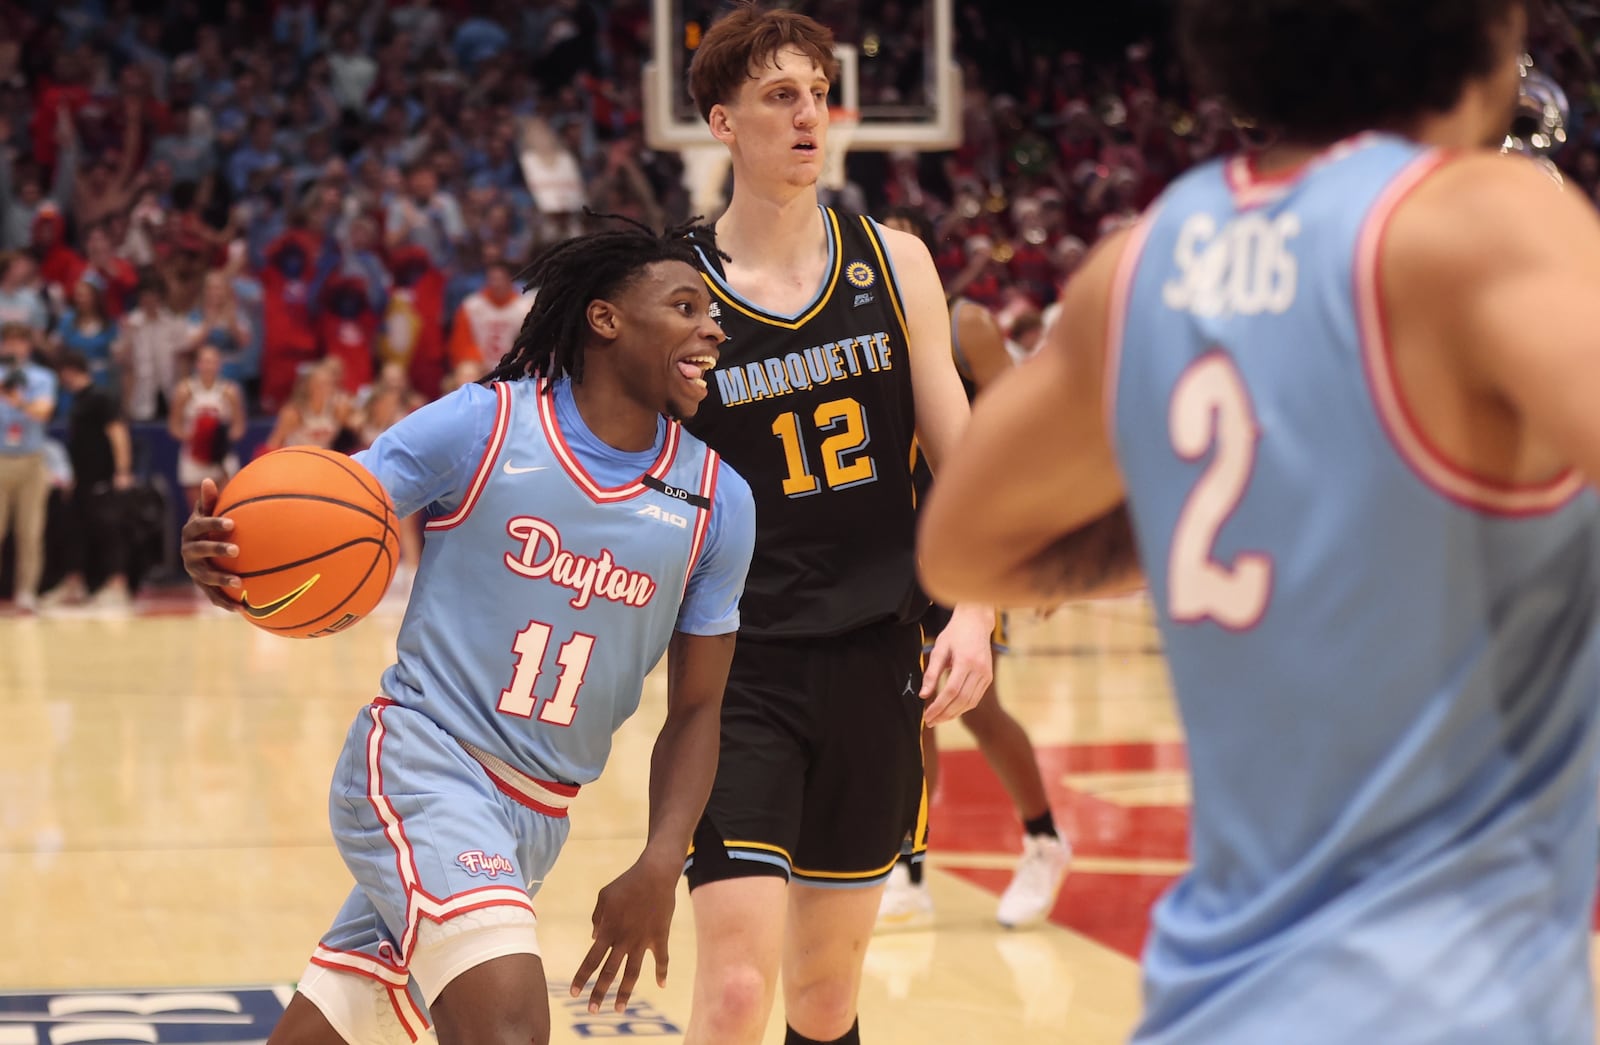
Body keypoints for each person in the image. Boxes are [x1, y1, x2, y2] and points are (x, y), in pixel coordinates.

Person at [918, 2, 1600, 1041]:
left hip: (1208, 997)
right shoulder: (1483, 221)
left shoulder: (1141, 260)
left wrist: (1233, 520)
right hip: (1448, 1002)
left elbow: (964, 546)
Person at [181, 221, 756, 1045]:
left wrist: (664, 858)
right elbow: (313, 525)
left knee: (330, 1033)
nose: (712, 327)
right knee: (510, 1027)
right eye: (685, 305)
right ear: (605, 320)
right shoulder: (484, 426)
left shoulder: (718, 500)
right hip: (424, 763)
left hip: (538, 815)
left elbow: (699, 708)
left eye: (713, 311)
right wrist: (227, 566)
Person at [676, 7, 994, 1044]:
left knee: (824, 998)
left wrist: (976, 609)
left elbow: (964, 456)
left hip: (873, 658)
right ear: (721, 120)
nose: (809, 114)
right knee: (731, 994)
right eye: (779, 95)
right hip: (738, 671)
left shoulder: (894, 261)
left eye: (817, 92)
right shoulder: (670, 293)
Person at [873, 207, 1071, 933]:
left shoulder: (967, 325)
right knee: (909, 706)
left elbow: (1022, 426)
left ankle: (1045, 837)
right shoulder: (853, 316)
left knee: (977, 708)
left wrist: (1039, 538)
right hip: (900, 537)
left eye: (897, 239)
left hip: (969, 535)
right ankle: (908, 865)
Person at [38, 351, 136, 610]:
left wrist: (123, 470)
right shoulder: (79, 400)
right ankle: (75, 583)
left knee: (108, 529)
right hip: (80, 478)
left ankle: (118, 584)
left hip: (102, 476)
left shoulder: (101, 397)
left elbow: (118, 433)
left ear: (70, 370)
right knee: (76, 530)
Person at [0, 322, 56, 613]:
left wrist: (17, 400)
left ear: (28, 347)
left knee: (30, 530)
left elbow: (43, 411)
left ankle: (26, 592)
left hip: (31, 460)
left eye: (19, 342)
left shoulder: (41, 377)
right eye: (8, 342)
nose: (13, 348)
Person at [168, 343, 246, 512]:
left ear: (219, 364)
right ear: (198, 364)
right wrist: (196, 438)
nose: (208, 366)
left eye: (213, 361)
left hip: (221, 456)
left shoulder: (230, 391)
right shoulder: (185, 390)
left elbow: (239, 427)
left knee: (226, 509)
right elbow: (174, 426)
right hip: (194, 456)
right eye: (204, 361)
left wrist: (219, 438)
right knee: (199, 511)